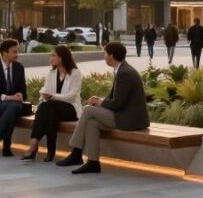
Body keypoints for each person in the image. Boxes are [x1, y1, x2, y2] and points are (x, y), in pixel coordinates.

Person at [57, 41, 150, 174]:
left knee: (88, 109)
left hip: (129, 119)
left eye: (105, 54)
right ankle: (93, 162)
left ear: (111, 55)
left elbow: (118, 104)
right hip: (125, 115)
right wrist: (100, 100)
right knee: (92, 123)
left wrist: (99, 103)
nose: (104, 56)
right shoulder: (123, 69)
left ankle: (76, 152)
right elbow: (116, 100)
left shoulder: (125, 73)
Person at [21, 45, 82, 162]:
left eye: (53, 55)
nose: (51, 58)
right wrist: (45, 94)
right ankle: (49, 150)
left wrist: (53, 96)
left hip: (71, 108)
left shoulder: (75, 73)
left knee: (47, 107)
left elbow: (71, 96)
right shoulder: (52, 72)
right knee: (49, 110)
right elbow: (45, 89)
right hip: (53, 108)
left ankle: (34, 145)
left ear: (62, 57)